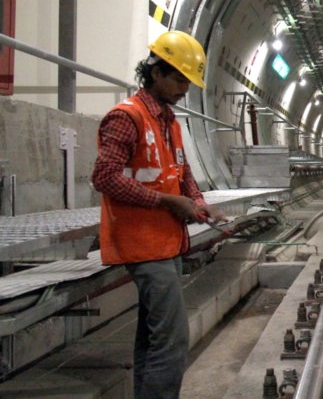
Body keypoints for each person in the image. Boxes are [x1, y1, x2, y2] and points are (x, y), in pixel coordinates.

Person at [92, 30, 225, 399]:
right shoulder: (127, 117)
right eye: (179, 79)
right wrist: (167, 202)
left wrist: (197, 202)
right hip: (141, 243)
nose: (185, 89)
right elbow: (104, 178)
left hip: (165, 241)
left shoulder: (169, 121)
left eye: (188, 81)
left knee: (152, 339)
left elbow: (181, 171)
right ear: (155, 73)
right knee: (172, 340)